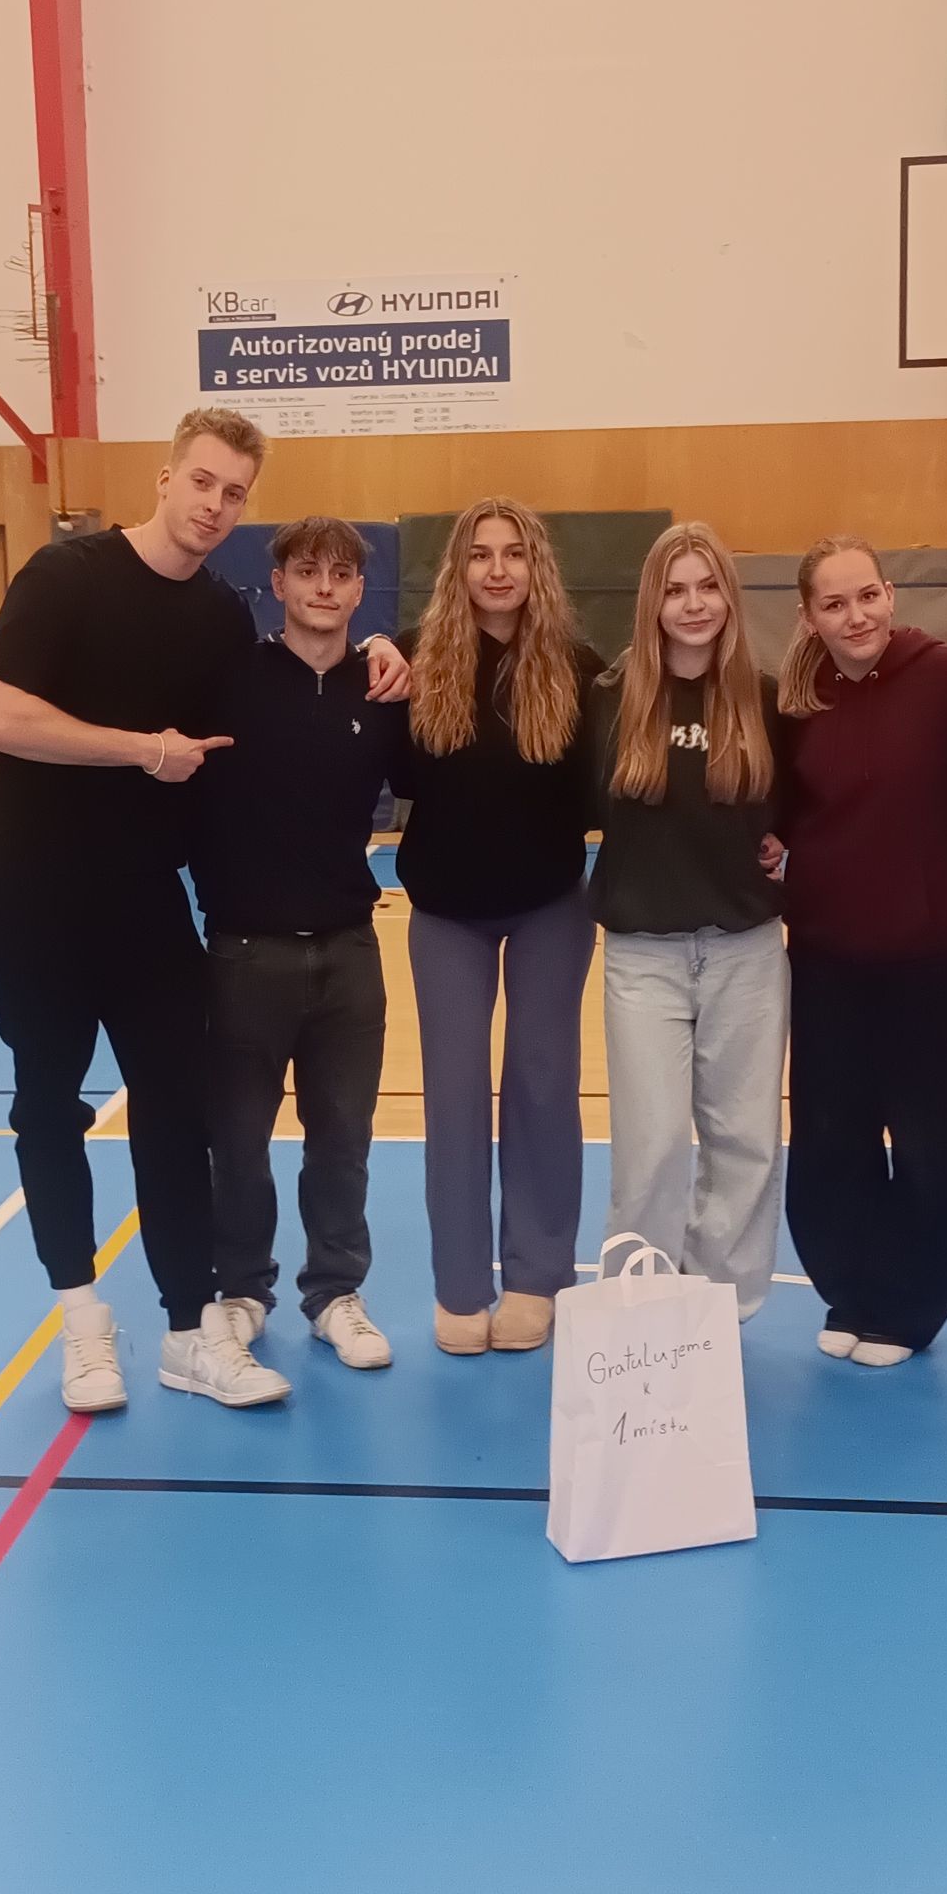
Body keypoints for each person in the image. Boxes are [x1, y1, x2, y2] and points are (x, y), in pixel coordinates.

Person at [0, 408, 294, 1416]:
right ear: (165, 476)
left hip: (148, 904)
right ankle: (82, 1325)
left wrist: (372, 653)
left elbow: (237, 750)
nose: (214, 505)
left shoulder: (221, 617)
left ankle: (189, 1334)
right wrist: (142, 750)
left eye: (234, 494)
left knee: (177, 1108)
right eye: (202, 481)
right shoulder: (65, 577)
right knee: (47, 1107)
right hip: (33, 900)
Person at [192, 517, 410, 1373]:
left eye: (341, 574)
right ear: (277, 583)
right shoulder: (228, 681)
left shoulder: (384, 690)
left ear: (360, 591)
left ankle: (335, 1293)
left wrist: (392, 651)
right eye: (307, 571)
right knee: (238, 1143)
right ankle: (242, 1289)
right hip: (245, 953)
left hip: (350, 952)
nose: (324, 587)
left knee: (343, 1139)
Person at [774, 535, 947, 1369]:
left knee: (933, 1145)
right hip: (828, 959)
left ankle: (910, 1311)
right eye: (834, 604)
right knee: (833, 1140)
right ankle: (852, 1291)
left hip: (937, 961)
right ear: (809, 616)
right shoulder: (798, 700)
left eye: (866, 596)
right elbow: (779, 808)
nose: (855, 616)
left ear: (890, 595)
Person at [397, 499, 603, 1356]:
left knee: (544, 1086)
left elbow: (614, 785)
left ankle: (536, 1277)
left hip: (550, 903)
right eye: (480, 554)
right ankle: (459, 1288)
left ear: (535, 566)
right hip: (447, 911)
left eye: (513, 553)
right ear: (459, 567)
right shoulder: (413, 661)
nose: (497, 569)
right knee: (452, 1095)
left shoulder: (578, 668)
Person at [588, 523, 786, 1315]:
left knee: (745, 1140)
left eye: (708, 587)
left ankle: (721, 1312)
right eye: (676, 590)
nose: (693, 604)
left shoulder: (765, 700)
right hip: (643, 956)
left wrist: (787, 845)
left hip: (746, 952)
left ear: (729, 598)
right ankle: (636, 1316)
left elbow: (802, 809)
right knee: (653, 1145)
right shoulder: (609, 698)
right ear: (653, 602)